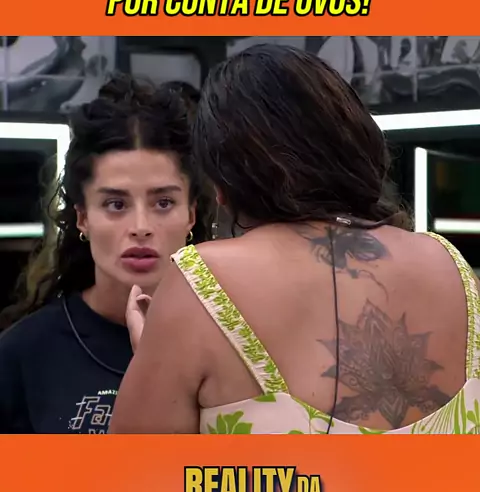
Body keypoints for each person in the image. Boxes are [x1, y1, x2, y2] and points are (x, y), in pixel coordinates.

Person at [109, 45, 480, 436]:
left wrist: (157, 359)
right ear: (357, 142)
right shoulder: (449, 266)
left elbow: (136, 468)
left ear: (222, 184)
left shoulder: (204, 282)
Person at [0, 73, 206, 433]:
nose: (141, 227)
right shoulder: (21, 355)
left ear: (191, 214)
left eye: (163, 202)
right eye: (115, 204)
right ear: (83, 217)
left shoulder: (229, 343)